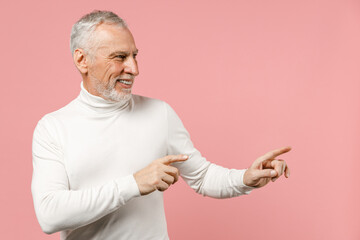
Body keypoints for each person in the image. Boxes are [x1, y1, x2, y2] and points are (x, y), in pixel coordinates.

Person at [31, 10, 291, 240]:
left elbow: (202, 177)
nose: (133, 68)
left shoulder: (159, 113)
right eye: (119, 57)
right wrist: (133, 184)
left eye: (134, 55)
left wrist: (246, 178)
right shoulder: (53, 128)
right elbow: (50, 215)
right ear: (82, 60)